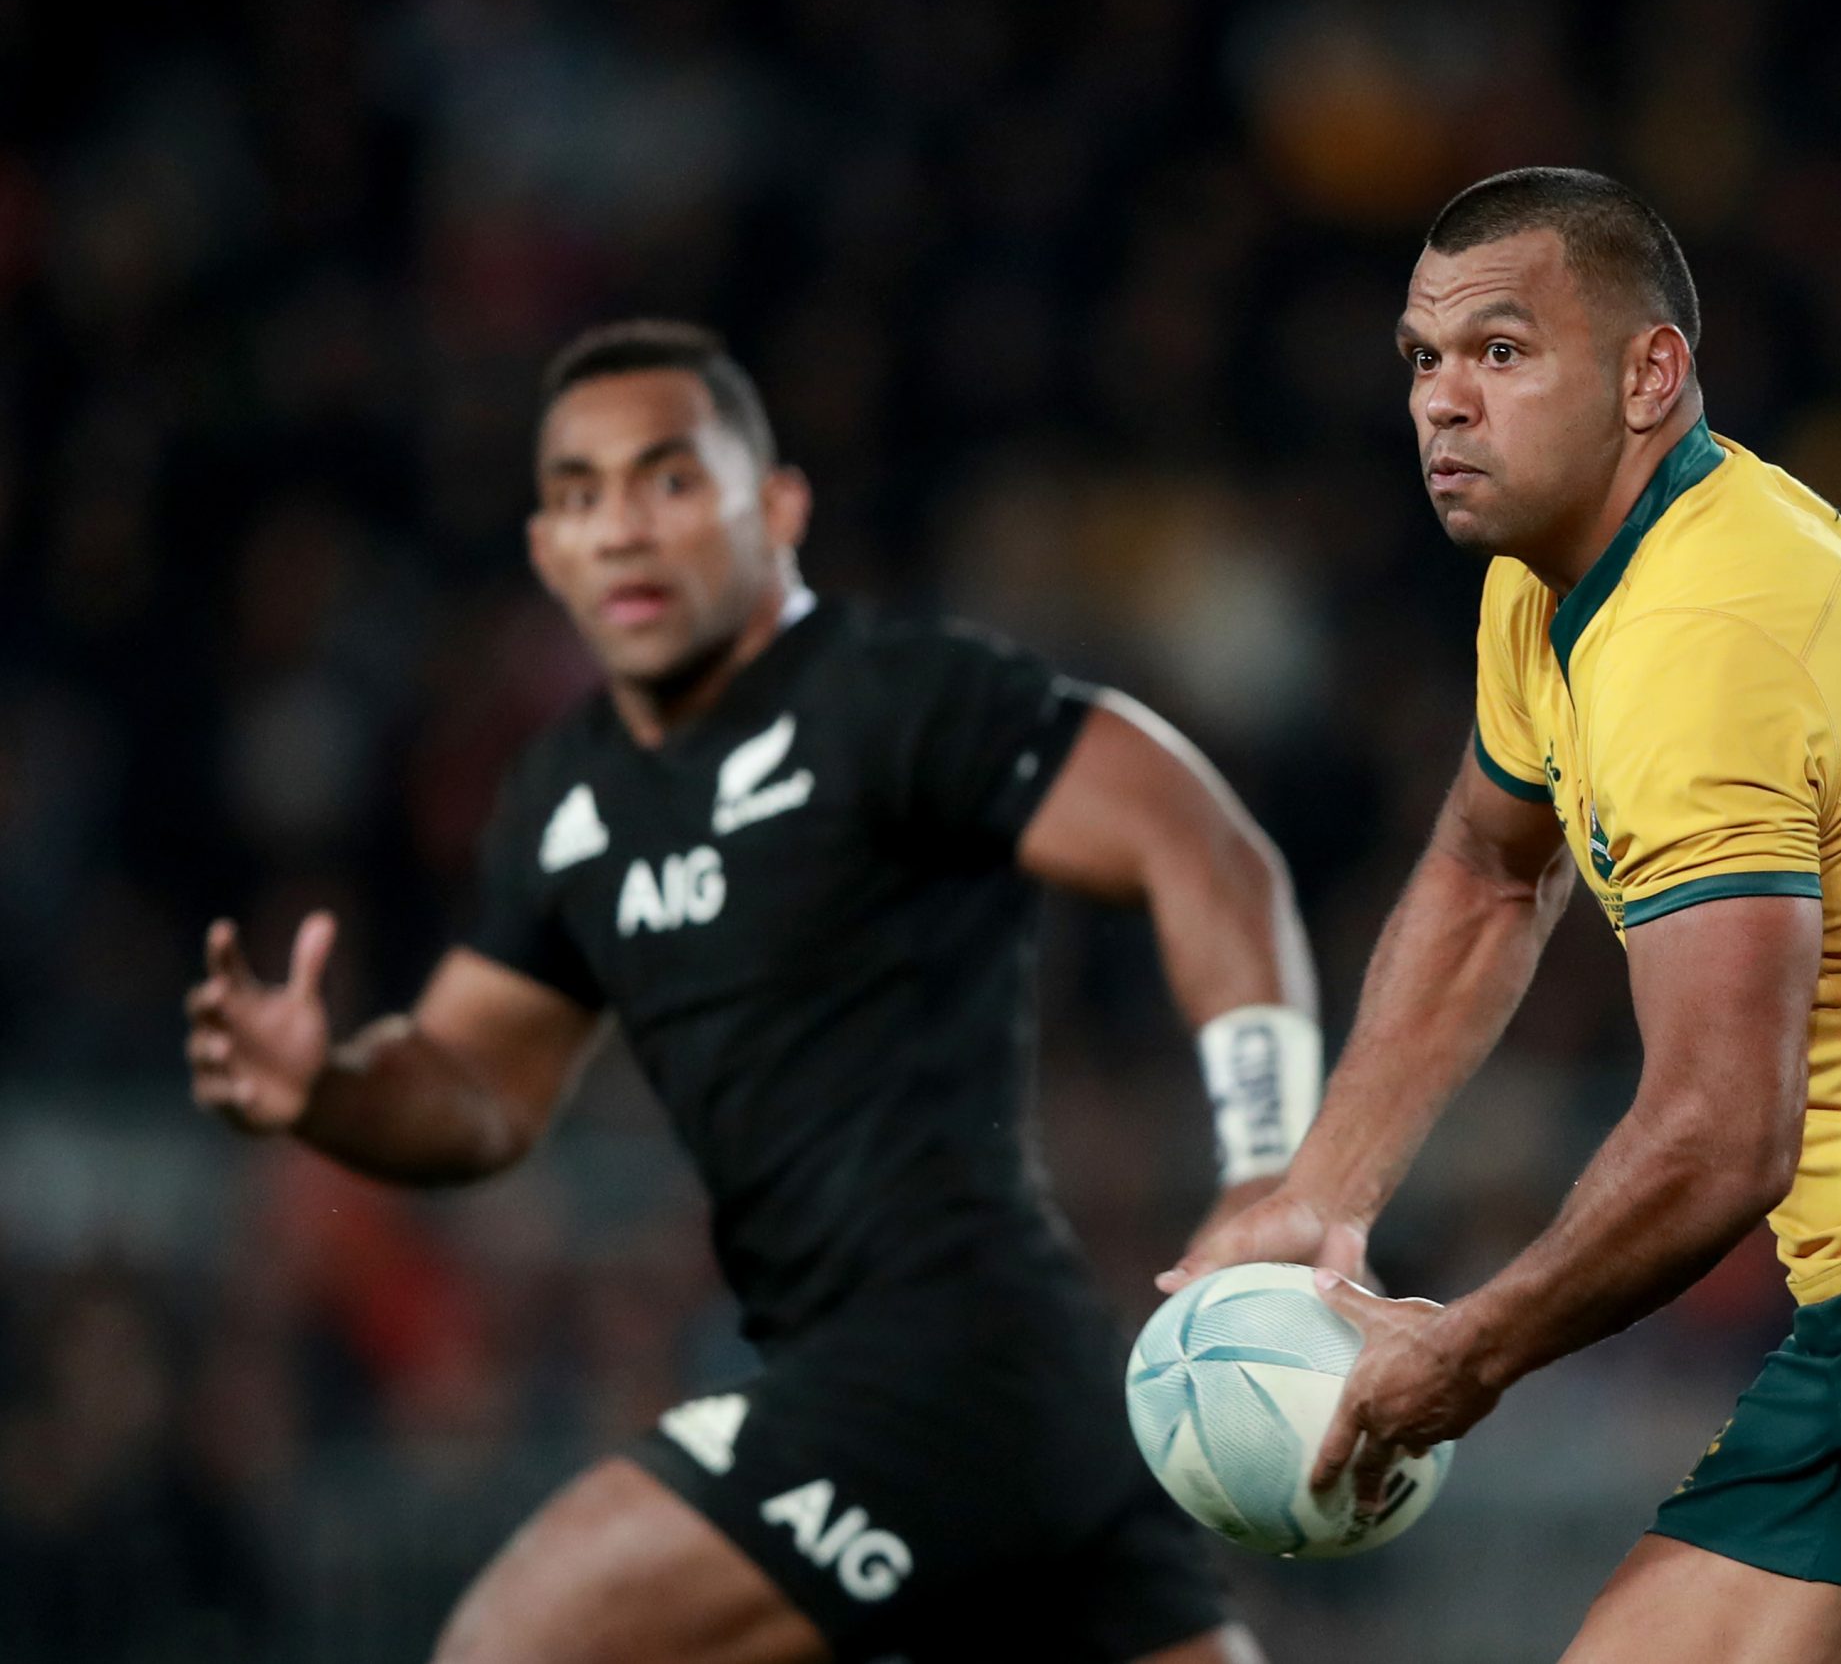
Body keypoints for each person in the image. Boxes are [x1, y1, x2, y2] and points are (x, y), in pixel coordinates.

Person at [1164, 169, 1841, 1664]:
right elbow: (1489, 869)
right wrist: (1328, 1189)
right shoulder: (1553, 586)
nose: (1441, 400)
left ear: (1651, 376)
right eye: (1423, 359)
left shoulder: (1704, 634)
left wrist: (1468, 1354)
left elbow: (1720, 1136)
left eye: (1501, 351)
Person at [184, 319, 1314, 1664]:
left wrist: (1268, 1165)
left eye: (669, 479)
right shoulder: (568, 796)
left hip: (938, 1364)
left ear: (778, 508)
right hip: (994, 1390)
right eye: (580, 495)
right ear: (546, 548)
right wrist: (326, 1090)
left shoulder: (892, 698)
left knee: (514, 1651)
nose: (622, 528)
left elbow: (1203, 848)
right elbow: (477, 1089)